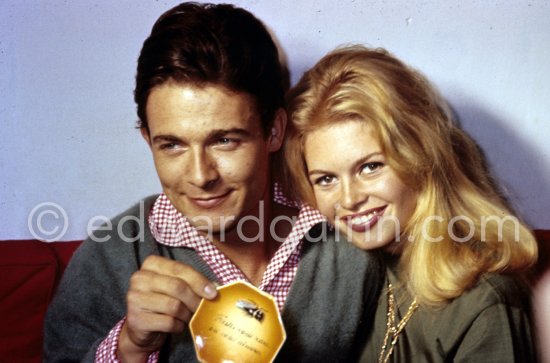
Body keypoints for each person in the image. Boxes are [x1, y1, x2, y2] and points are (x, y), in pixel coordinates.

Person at [43, 4, 383, 362]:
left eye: (224, 141)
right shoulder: (110, 256)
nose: (201, 176)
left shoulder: (349, 230)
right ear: (148, 140)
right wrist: (129, 348)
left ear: (274, 131)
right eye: (172, 145)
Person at [284, 45, 539, 362]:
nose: (349, 199)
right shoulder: (361, 274)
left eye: (370, 167)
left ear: (419, 155)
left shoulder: (485, 303)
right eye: (326, 179)